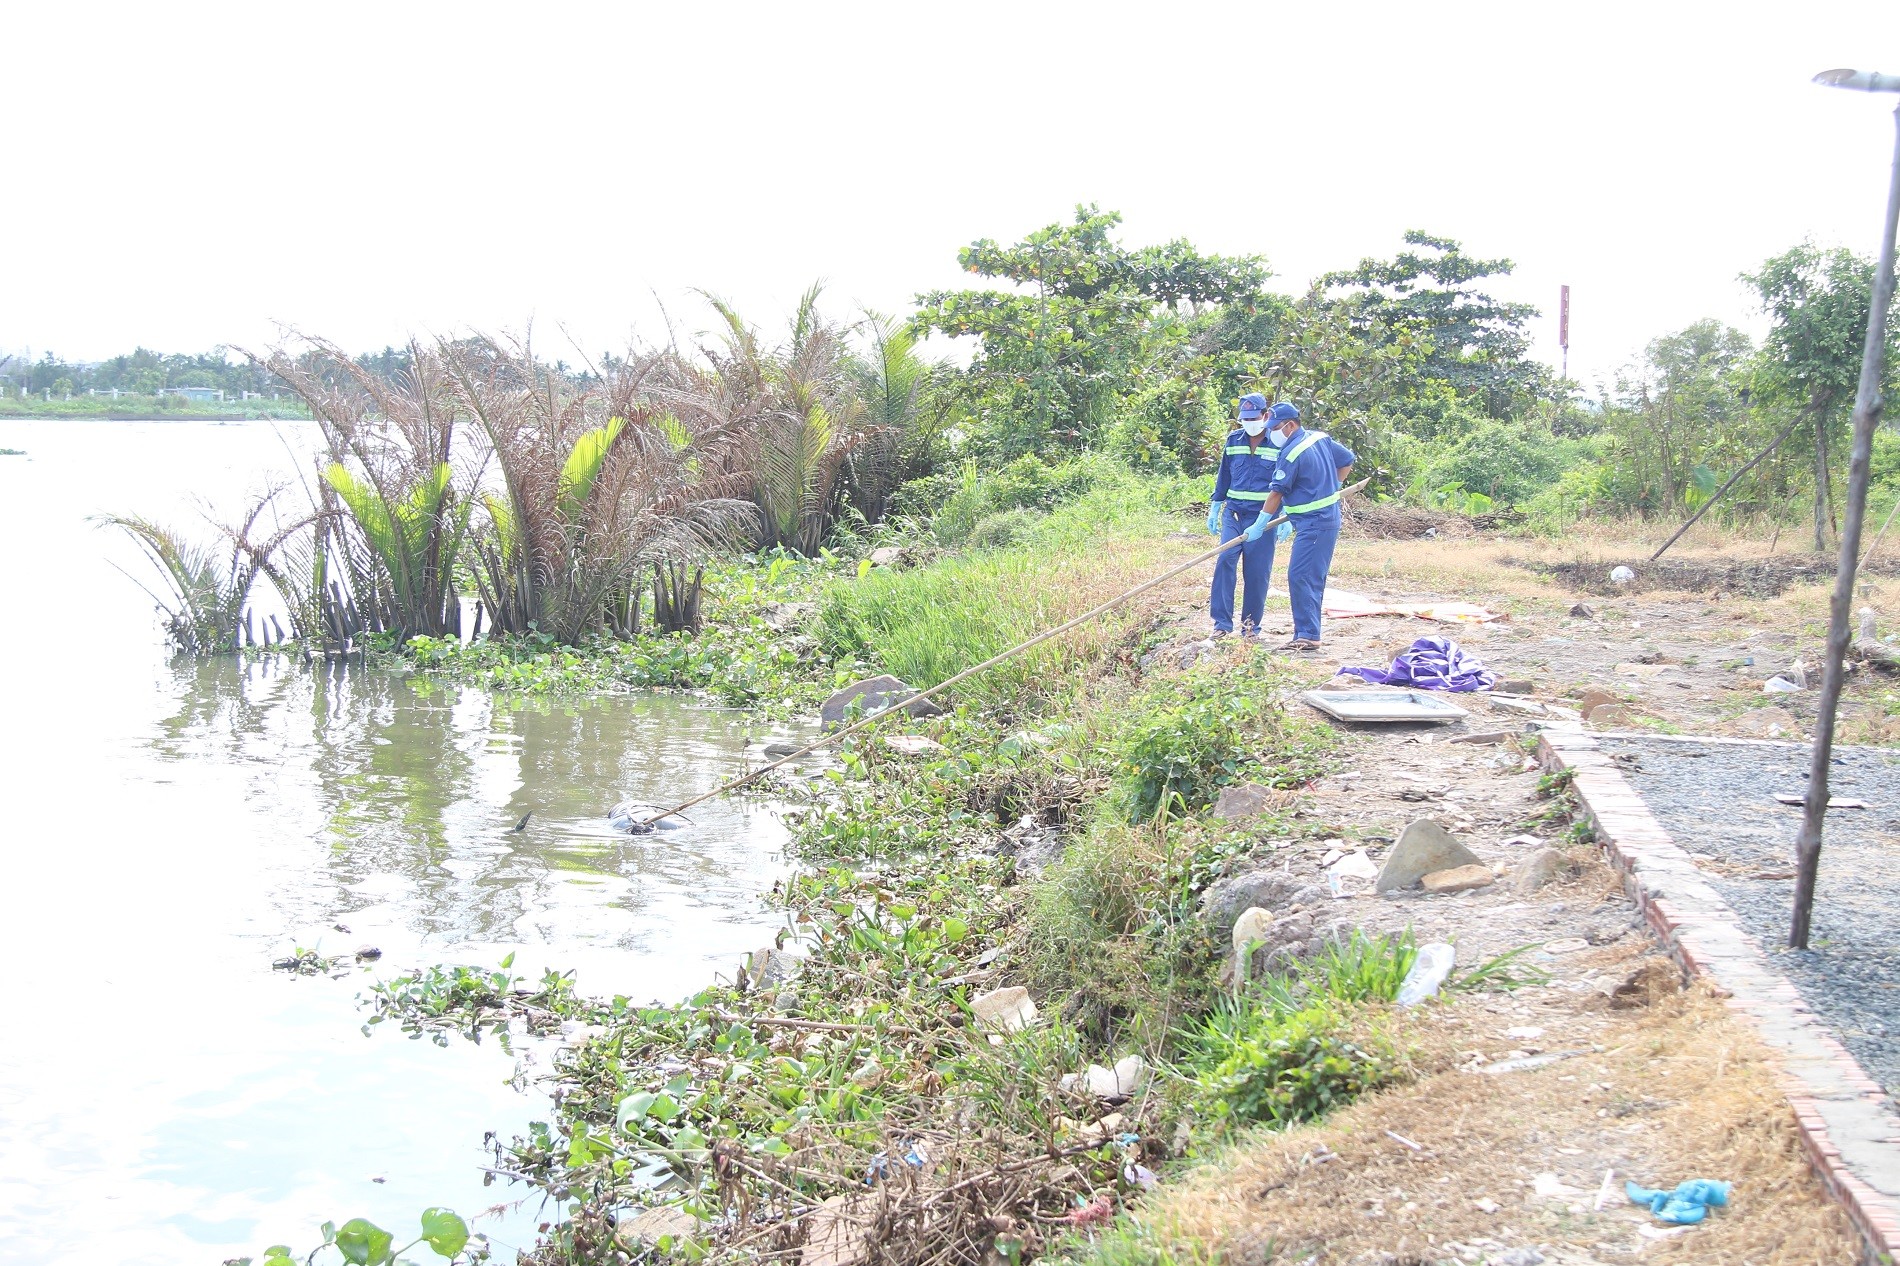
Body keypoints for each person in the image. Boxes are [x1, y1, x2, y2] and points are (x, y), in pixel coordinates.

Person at [1257, 401, 1354, 651]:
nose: (1270, 434)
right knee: (1309, 575)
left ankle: (1309, 635)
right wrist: (1332, 485)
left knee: (1302, 575)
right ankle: (1308, 632)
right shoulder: (1319, 438)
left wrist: (1259, 523)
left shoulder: (1291, 452)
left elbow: (1276, 493)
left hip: (1316, 522)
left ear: (1290, 425)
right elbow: (1347, 460)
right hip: (1316, 519)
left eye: (1274, 428)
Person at [1206, 392, 1285, 636]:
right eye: (1245, 419)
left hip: (1264, 518)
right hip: (1235, 514)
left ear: (1265, 416)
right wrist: (1216, 506)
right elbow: (1224, 476)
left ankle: (1250, 627)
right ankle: (1221, 624)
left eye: (1254, 418)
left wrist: (1285, 515)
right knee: (1225, 561)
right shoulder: (1233, 440)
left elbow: (1287, 482)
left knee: (1257, 572)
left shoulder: (1278, 443)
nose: (1249, 423)